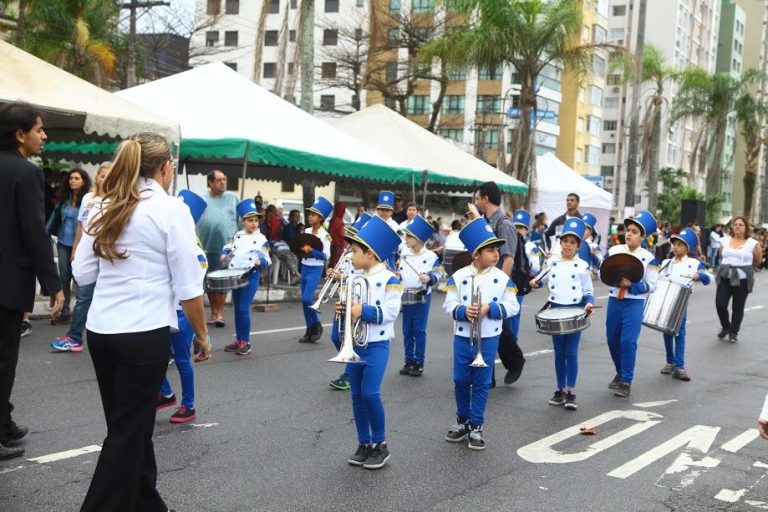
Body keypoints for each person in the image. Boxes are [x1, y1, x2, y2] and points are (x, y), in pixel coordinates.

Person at [72, 132, 210, 511]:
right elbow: (188, 284)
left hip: (101, 330)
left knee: (130, 428)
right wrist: (202, 334)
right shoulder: (170, 209)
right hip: (143, 331)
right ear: (166, 168)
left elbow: (82, 272)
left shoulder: (103, 203)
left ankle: (149, 504)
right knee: (127, 432)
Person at [0, 103, 64, 461]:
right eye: (39, 130)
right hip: (7, 281)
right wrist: (53, 283)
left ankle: (4, 424)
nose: (45, 136)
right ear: (19, 135)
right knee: (3, 361)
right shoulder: (24, 172)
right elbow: (34, 232)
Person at [443, 218, 519, 450]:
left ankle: (476, 425)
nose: (496, 254)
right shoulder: (459, 276)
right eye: (491, 250)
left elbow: (513, 306)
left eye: (497, 249)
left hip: (487, 337)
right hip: (463, 335)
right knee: (460, 379)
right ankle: (463, 420)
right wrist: (464, 310)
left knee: (481, 382)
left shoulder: (502, 278)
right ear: (476, 254)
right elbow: (448, 304)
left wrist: (490, 309)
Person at [340, 215, 402, 470]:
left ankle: (380, 444)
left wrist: (361, 311)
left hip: (377, 344)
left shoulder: (391, 280)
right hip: (356, 343)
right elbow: (350, 309)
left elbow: (390, 312)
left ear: (370, 253)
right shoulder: (355, 276)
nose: (351, 256)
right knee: (356, 395)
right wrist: (343, 310)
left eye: (355, 251)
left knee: (370, 393)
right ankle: (363, 442)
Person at [156, 190, 210, 424]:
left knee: (181, 358)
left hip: (182, 311)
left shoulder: (195, 250)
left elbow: (191, 285)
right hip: (163, 309)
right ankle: (165, 393)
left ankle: (188, 405)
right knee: (156, 355)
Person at [530, 218, 594, 411]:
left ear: (578, 246)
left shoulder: (582, 265)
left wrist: (589, 303)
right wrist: (535, 283)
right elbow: (541, 280)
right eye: (565, 241)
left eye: (572, 242)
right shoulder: (552, 262)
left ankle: (571, 391)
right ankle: (559, 388)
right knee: (559, 352)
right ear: (560, 242)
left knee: (571, 352)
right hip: (555, 310)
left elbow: (588, 291)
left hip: (575, 310)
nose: (568, 245)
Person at [51, 163, 110, 352]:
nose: (105, 179)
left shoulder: (118, 199)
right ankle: (75, 337)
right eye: (102, 175)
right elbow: (80, 226)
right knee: (83, 296)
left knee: (107, 297)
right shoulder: (88, 198)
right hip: (89, 255)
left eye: (109, 176)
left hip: (109, 257)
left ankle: (109, 339)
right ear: (97, 178)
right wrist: (76, 249)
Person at [468, 181, 522, 385]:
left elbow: (508, 258)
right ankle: (486, 376)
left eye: (477, 198)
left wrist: (501, 287)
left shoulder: (504, 224)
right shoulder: (487, 221)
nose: (476, 202)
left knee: (501, 330)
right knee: (485, 327)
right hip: (484, 279)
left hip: (497, 283)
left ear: (485, 199)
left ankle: (516, 362)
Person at [604, 210, 659, 398]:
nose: (629, 234)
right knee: (612, 340)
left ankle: (626, 380)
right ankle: (620, 371)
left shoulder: (650, 258)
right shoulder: (613, 251)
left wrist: (633, 286)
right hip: (614, 300)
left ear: (643, 236)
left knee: (628, 341)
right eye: (628, 230)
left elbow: (652, 285)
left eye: (635, 231)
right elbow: (603, 272)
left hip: (633, 303)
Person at [657, 228, 711, 382]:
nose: (675, 247)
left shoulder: (694, 263)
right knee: (666, 331)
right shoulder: (666, 263)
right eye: (674, 244)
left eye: (680, 245)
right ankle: (670, 362)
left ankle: (679, 366)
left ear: (687, 248)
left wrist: (698, 275)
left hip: (681, 301)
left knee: (679, 333)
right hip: (666, 300)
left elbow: (708, 278)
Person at [222, 199, 271, 356]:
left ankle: (246, 342)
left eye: (256, 220)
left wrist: (260, 261)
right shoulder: (237, 235)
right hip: (236, 276)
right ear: (243, 221)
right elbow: (228, 247)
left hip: (251, 276)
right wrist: (224, 255)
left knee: (243, 308)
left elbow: (267, 259)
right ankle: (239, 341)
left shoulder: (262, 238)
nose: (254, 223)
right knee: (237, 310)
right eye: (250, 220)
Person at [328, 212, 371, 391]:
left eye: (354, 237)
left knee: (354, 339)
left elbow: (361, 278)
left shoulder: (367, 258)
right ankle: (353, 369)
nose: (349, 242)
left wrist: (343, 277)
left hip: (358, 304)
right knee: (336, 336)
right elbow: (345, 278)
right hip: (344, 301)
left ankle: (349, 374)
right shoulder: (347, 256)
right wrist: (335, 277)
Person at [396, 215, 442, 377]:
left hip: (422, 296)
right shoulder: (404, 253)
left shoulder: (430, 256)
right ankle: (409, 360)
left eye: (409, 236)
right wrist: (397, 276)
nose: (405, 239)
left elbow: (438, 273)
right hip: (406, 294)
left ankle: (419, 362)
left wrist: (429, 278)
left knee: (419, 330)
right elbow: (401, 271)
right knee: (407, 329)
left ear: (419, 238)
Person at [47, 168, 92, 324]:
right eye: (71, 178)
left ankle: (82, 311)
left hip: (80, 245)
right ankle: (65, 310)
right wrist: (44, 234)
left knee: (79, 276)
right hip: (63, 243)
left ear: (83, 181)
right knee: (64, 277)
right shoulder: (63, 200)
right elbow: (53, 219)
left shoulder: (88, 201)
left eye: (76, 178)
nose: (72, 180)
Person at [197, 169, 239, 327]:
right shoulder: (202, 199)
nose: (223, 182)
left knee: (222, 283)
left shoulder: (232, 198)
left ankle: (219, 313)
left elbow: (240, 220)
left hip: (226, 249)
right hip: (206, 247)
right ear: (211, 182)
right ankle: (214, 312)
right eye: (219, 180)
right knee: (210, 283)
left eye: (224, 179)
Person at [714, 216, 762, 343]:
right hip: (725, 277)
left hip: (742, 279)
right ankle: (726, 327)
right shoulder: (724, 241)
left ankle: (733, 332)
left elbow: (757, 260)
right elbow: (721, 255)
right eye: (735, 224)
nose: (737, 227)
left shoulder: (753, 243)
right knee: (720, 303)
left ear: (746, 228)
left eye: (741, 225)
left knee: (738, 307)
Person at [299, 197, 333, 343]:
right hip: (305, 266)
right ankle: (309, 329)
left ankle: (317, 324)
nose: (310, 216)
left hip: (315, 268)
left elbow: (327, 256)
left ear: (320, 218)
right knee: (303, 300)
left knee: (307, 298)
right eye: (310, 214)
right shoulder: (306, 230)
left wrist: (312, 251)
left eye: (313, 214)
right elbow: (300, 248)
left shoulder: (325, 235)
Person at [508, 209, 541, 340]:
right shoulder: (508, 242)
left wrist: (525, 268)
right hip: (507, 281)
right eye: (516, 227)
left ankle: (513, 341)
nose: (518, 230)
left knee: (514, 313)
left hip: (520, 282)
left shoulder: (530, 246)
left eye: (521, 227)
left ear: (527, 230)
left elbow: (536, 267)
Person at [374, 191, 400, 269]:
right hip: (372, 258)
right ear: (377, 210)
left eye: (387, 210)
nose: (384, 212)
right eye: (382, 209)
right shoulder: (371, 222)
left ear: (392, 212)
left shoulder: (395, 225)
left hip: (389, 259)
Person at [328, 201, 347, 269]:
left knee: (338, 261)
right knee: (334, 261)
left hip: (340, 244)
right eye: (342, 209)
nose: (343, 211)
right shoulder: (335, 219)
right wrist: (331, 243)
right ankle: (331, 276)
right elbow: (330, 233)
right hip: (336, 245)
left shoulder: (339, 219)